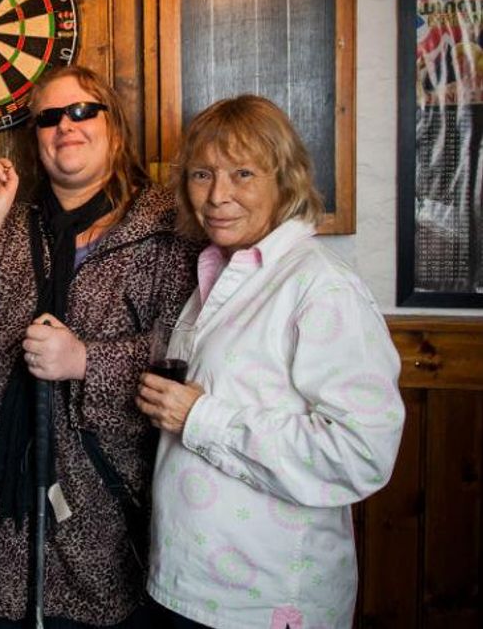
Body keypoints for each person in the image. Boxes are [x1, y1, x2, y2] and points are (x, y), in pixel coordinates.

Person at [0, 65, 201, 627]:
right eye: (49, 118)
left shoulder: (165, 230)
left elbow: (183, 353)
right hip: (2, 508)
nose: (65, 126)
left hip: (103, 509)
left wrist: (84, 361)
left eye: (82, 111)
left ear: (114, 127)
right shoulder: (12, 224)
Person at [137, 95, 405, 629]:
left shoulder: (321, 286)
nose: (218, 195)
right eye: (202, 174)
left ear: (285, 180)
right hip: (186, 585)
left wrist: (201, 417)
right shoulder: (218, 273)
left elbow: (361, 453)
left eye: (243, 173)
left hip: (266, 601)